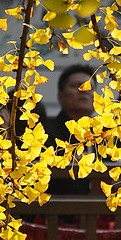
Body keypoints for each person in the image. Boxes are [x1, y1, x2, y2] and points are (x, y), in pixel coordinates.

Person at [44, 64, 97, 195]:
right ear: (60, 96)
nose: (84, 90)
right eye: (76, 86)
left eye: (89, 87)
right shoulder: (45, 132)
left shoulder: (104, 134)